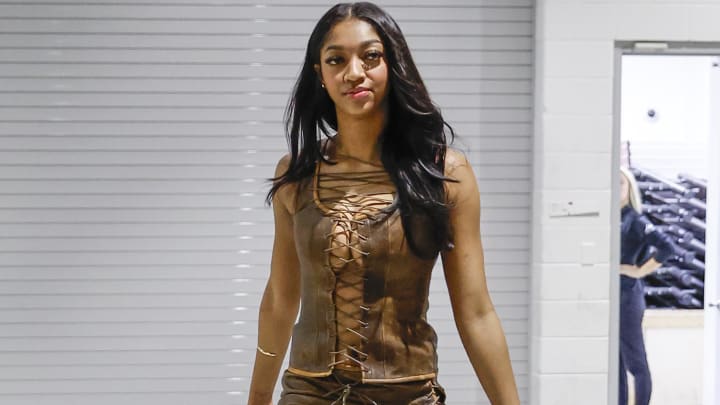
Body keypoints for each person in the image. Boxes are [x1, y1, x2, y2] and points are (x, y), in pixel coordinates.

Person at [247, 2, 520, 404]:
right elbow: (280, 299)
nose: (354, 72)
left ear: (393, 64)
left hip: (406, 394)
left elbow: (476, 312)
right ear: (319, 75)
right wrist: (257, 398)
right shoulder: (297, 175)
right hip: (307, 393)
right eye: (336, 59)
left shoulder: (445, 174)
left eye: (370, 56)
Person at [618, 166, 677, 405]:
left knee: (636, 363)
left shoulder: (635, 220)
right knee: (616, 365)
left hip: (629, 298)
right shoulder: (613, 219)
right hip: (614, 298)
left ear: (630, 187)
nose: (615, 187)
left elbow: (667, 247)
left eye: (620, 183)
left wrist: (639, 271)